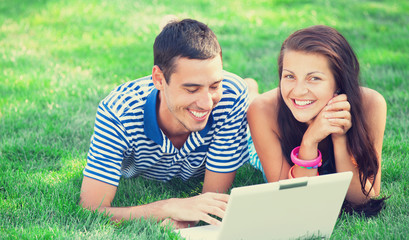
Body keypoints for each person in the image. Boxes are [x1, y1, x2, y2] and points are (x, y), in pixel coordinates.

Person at [79, 18, 250, 229]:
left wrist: (184, 219)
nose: (207, 103)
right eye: (191, 89)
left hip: (243, 104)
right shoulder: (117, 113)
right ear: (159, 79)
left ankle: (253, 89)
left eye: (214, 85)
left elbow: (211, 201)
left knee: (252, 101)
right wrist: (167, 207)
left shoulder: (230, 97)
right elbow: (91, 210)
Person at [247, 25, 387, 216]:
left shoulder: (371, 105)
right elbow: (293, 201)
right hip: (259, 140)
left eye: (314, 78)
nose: (298, 90)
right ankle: (249, 89)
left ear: (339, 81)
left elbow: (365, 197)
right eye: (289, 76)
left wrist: (340, 138)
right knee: (251, 101)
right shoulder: (262, 111)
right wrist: (309, 141)